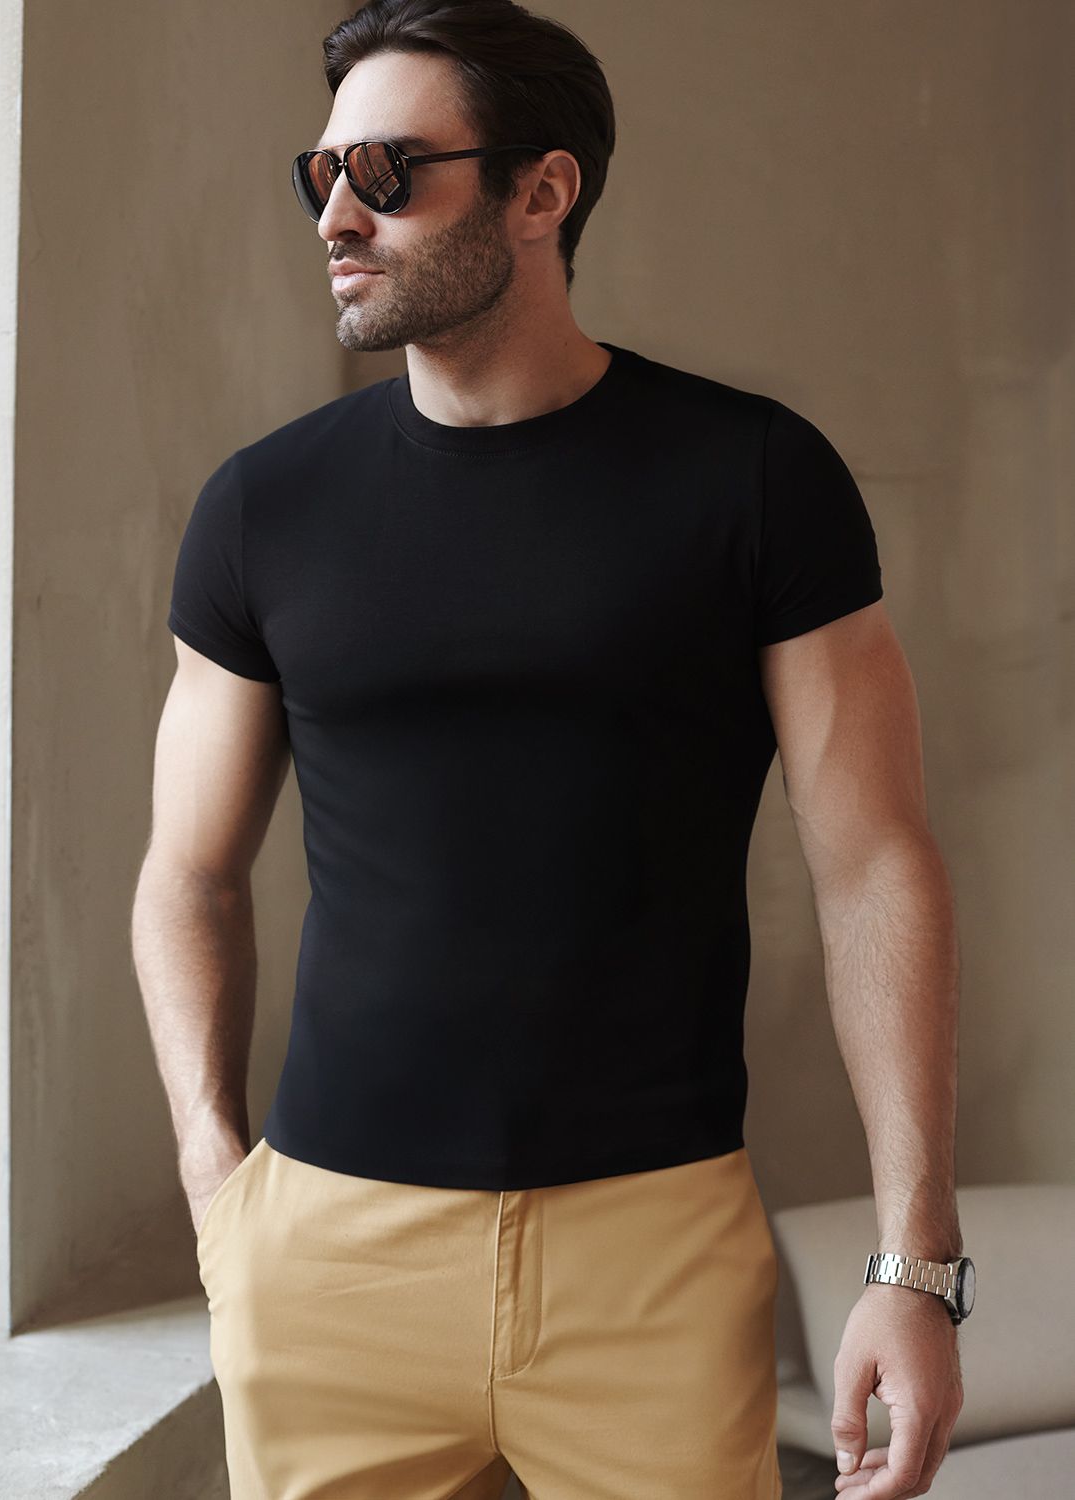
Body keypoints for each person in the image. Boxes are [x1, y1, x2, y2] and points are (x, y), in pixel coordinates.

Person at [132, 3, 966, 1497]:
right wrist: (218, 1189)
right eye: (320, 172)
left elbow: (874, 868)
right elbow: (187, 875)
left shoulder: (755, 479)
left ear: (542, 191)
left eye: (387, 172)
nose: (336, 214)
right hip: (327, 1257)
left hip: (651, 1248)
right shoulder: (263, 508)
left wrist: (918, 1263)